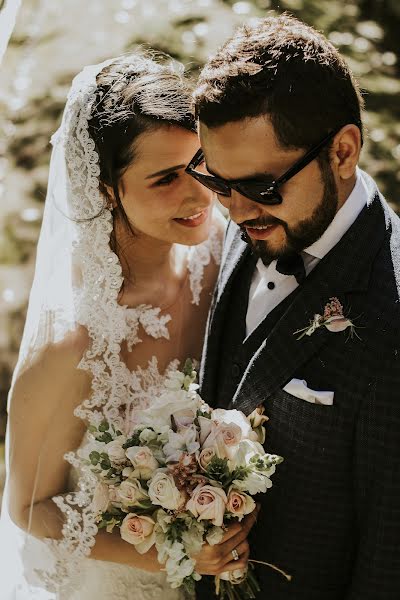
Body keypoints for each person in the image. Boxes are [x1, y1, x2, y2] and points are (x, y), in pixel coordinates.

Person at [0, 50, 256, 599]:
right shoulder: (73, 347)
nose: (199, 195)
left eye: (200, 164)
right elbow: (28, 507)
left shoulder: (225, 257)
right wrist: (174, 550)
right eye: (164, 179)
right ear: (105, 190)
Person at [189, 14, 400, 600]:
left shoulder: (393, 323)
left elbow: (390, 557)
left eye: (260, 186)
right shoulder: (250, 220)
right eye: (217, 182)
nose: (235, 211)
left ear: (343, 151)